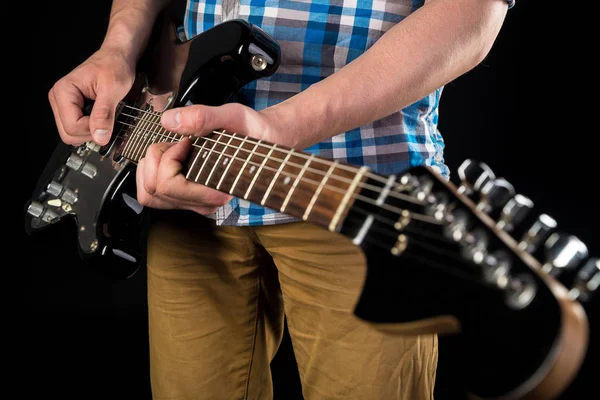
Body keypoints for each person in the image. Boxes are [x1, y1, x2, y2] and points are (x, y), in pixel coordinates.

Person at [48, 0, 513, 398]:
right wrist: (117, 47)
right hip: (184, 178)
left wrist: (278, 128)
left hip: (350, 189)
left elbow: (471, 13)